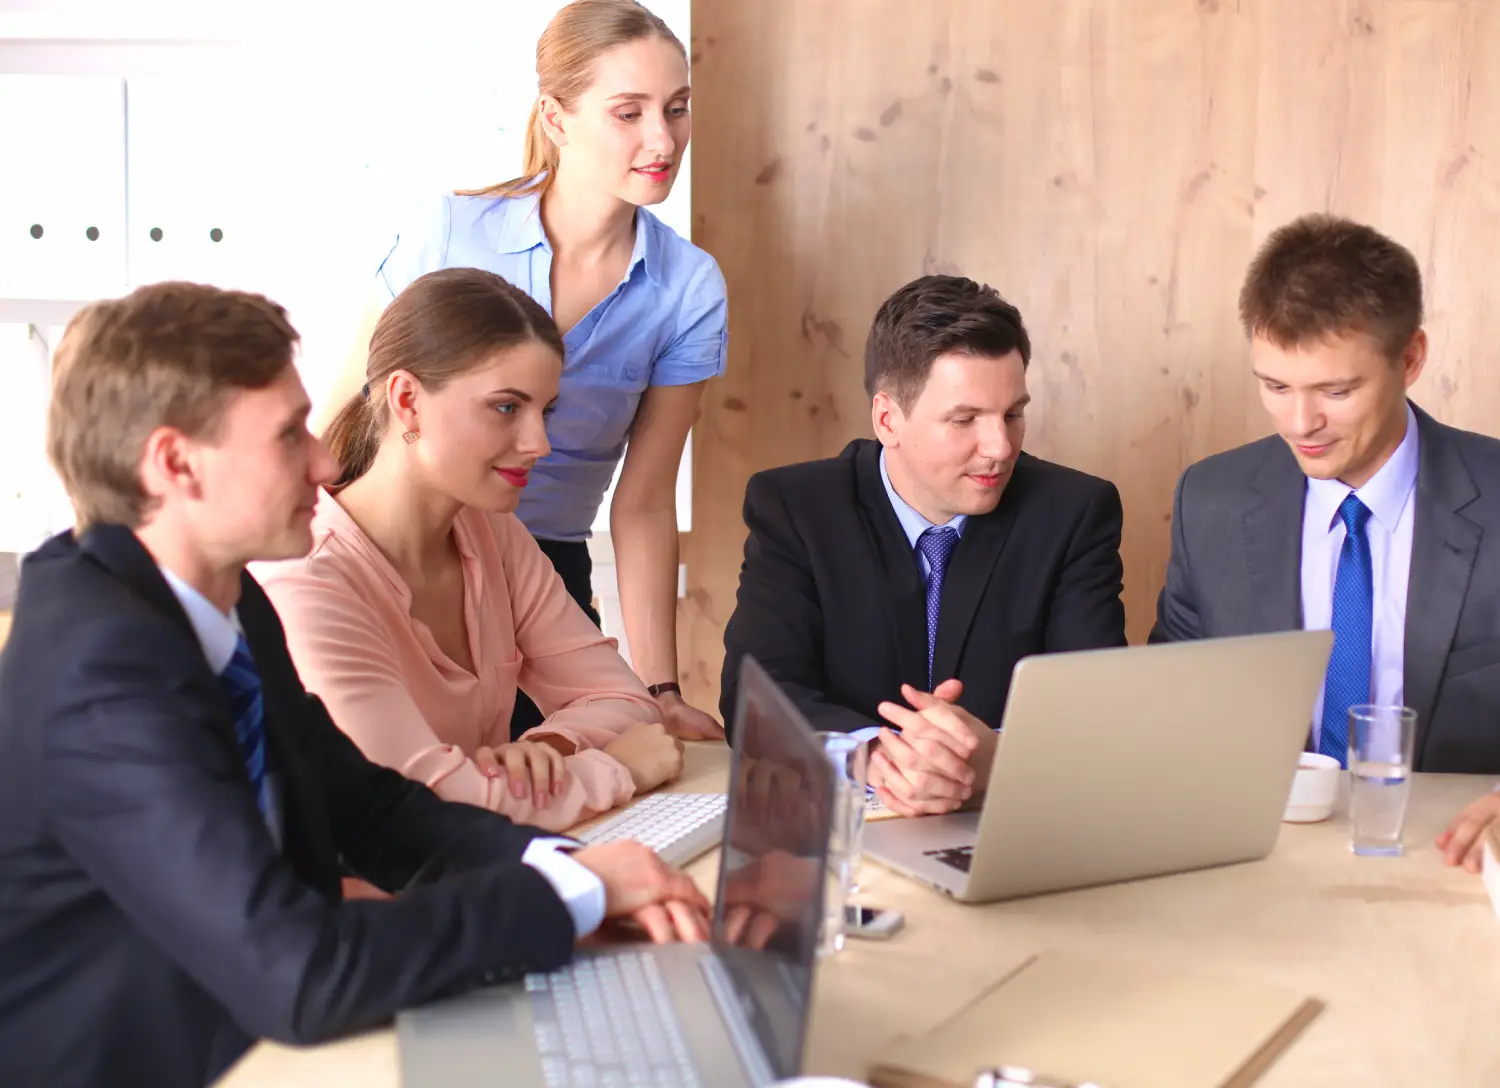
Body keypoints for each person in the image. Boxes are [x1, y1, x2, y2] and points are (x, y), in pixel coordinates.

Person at [0, 281, 708, 1088]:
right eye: (286, 435)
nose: (327, 459)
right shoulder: (100, 671)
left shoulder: (221, 602)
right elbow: (301, 973)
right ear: (175, 464)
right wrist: (568, 896)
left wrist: (571, 868)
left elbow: (373, 809)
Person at [322, 0, 726, 741]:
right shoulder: (448, 228)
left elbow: (642, 502)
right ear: (556, 117)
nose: (662, 139)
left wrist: (660, 687)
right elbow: (345, 417)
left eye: (676, 109)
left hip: (543, 575)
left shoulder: (688, 288)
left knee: (557, 780)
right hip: (399, 551)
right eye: (628, 113)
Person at [256, 267, 685, 834]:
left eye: (545, 411)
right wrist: (613, 770)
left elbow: (624, 699)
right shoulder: (308, 580)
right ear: (407, 400)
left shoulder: (493, 533)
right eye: (507, 407)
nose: (539, 443)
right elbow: (421, 804)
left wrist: (547, 749)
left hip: (480, 873)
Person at [1146, 213, 1500, 870]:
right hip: (1255, 864)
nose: (1299, 422)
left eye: (1335, 391)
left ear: (1411, 358)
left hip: (1453, 864)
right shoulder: (1211, 500)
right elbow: (1173, 703)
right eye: (1275, 386)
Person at [720, 274, 1128, 818]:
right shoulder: (796, 509)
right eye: (964, 420)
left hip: (1017, 822)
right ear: (888, 418)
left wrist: (993, 758)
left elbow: (1098, 709)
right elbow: (756, 697)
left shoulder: (1074, 513)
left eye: (1013, 414)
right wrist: (873, 755)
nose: (1000, 447)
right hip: (848, 827)